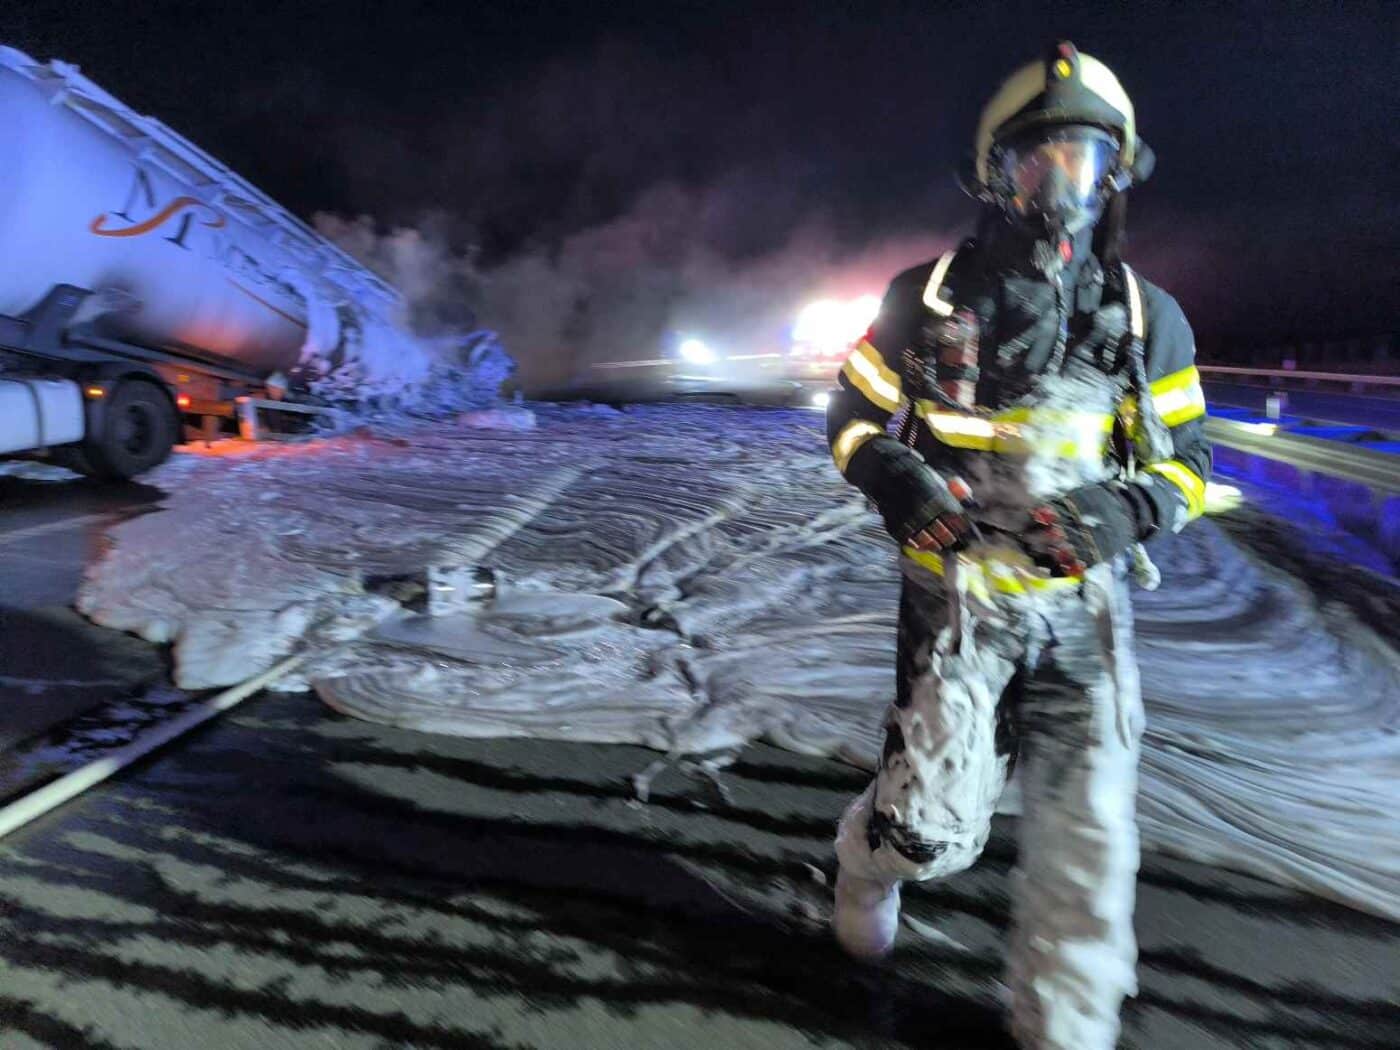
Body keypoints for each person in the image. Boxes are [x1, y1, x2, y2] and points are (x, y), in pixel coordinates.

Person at [824, 42, 1211, 1050]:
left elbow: (1189, 467)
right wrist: (894, 476)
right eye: (1038, 160)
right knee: (930, 830)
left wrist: (1118, 514)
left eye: (1084, 161)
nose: (1061, 183)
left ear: (1114, 175)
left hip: (1081, 617)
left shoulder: (1142, 321)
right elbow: (850, 416)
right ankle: (865, 863)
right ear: (995, 173)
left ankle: (1063, 1026)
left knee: (1089, 846)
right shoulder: (929, 297)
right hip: (952, 612)